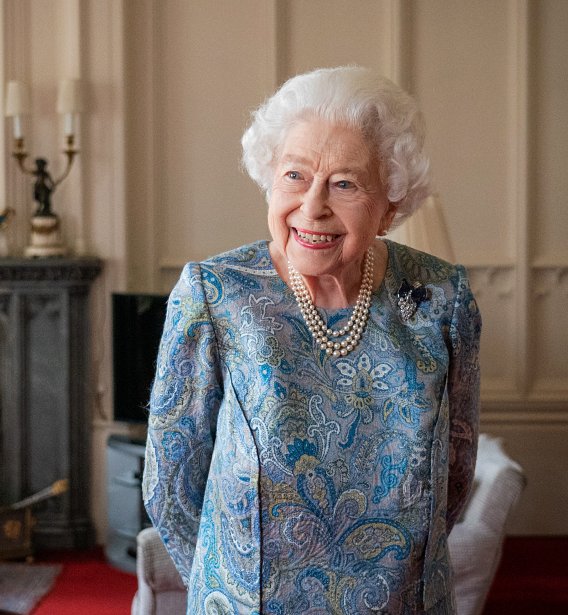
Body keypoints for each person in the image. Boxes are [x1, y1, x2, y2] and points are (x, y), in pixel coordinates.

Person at [143, 66, 481, 614]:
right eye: (295, 175)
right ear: (270, 176)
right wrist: (232, 584)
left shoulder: (441, 298)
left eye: (345, 183)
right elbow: (171, 485)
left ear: (390, 203)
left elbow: (456, 475)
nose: (313, 206)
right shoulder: (215, 295)